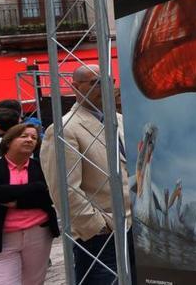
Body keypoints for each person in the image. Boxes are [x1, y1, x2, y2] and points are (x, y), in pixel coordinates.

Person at [41, 64, 132, 285]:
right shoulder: (64, 129)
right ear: (76, 87)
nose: (104, 87)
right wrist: (96, 226)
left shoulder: (120, 120)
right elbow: (63, 187)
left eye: (108, 81)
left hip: (133, 229)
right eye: (95, 82)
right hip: (101, 236)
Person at [0, 123, 57, 285]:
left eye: (34, 137)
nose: (30, 140)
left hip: (38, 234)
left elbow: (50, 196)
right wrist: (36, 189)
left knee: (34, 282)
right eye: (24, 136)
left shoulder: (42, 168)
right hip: (0, 237)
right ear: (8, 142)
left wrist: (17, 202)